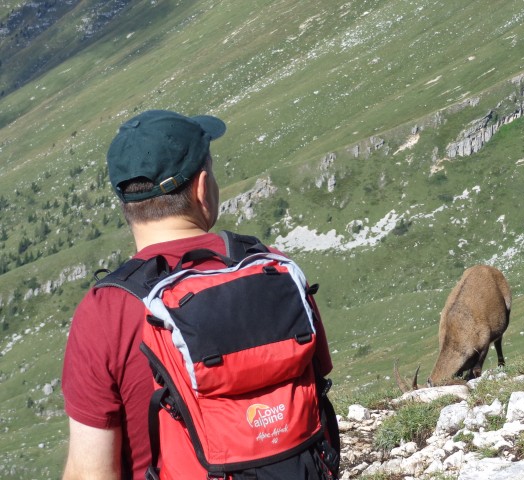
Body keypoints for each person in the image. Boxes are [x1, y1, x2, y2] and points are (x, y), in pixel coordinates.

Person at [61, 109, 334, 479]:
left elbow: (90, 472)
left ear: (126, 204)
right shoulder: (272, 267)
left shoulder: (106, 311)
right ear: (203, 187)